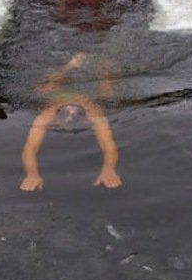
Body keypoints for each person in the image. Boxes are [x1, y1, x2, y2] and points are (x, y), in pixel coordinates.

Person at [20, 52, 122, 191]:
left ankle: (70, 65)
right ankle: (103, 67)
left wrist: (32, 174)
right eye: (73, 115)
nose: (71, 111)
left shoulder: (47, 114)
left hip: (57, 94)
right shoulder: (94, 113)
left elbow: (30, 148)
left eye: (67, 114)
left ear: (55, 122)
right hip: (89, 94)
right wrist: (109, 170)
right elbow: (108, 144)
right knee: (107, 93)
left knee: (46, 89)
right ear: (86, 120)